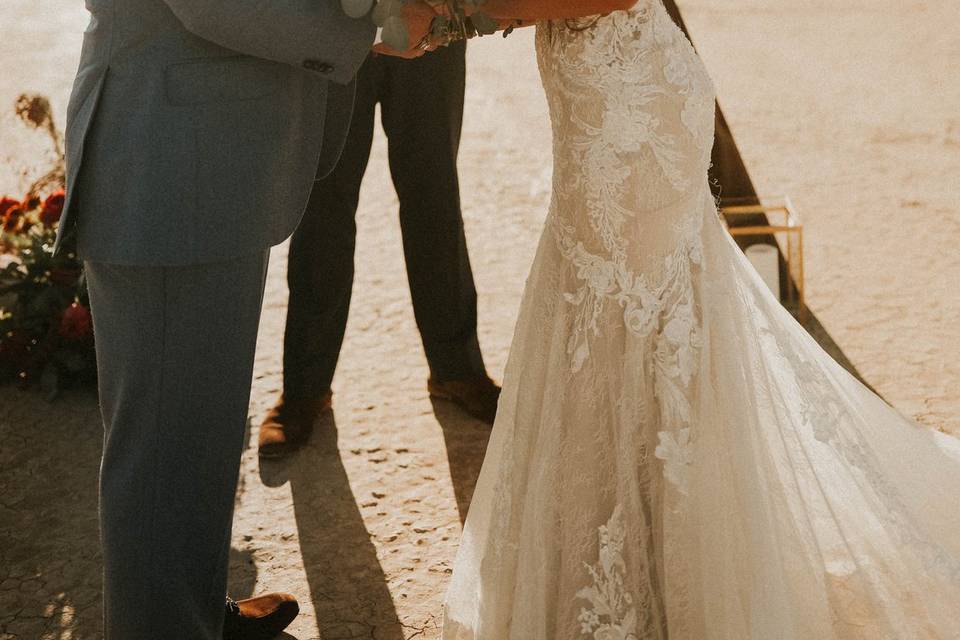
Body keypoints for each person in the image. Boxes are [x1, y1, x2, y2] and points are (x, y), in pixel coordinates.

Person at [442, 1, 960, 638]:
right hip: (597, 97)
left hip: (629, 110)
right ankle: (628, 547)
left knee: (637, 316)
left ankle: (672, 565)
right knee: (607, 312)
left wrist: (464, 13)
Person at [57, 0, 435, 637]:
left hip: (212, 153)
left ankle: (192, 612)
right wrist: (364, 26)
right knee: (162, 448)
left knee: (198, 429)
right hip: (172, 158)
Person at [260, 40, 500, 459]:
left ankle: (456, 369)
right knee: (322, 208)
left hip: (432, 34)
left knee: (436, 197)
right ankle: (304, 388)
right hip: (334, 29)